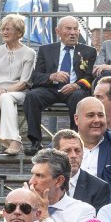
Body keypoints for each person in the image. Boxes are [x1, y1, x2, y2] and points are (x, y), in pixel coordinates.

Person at [22, 16, 97, 153]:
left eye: (76, 29)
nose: (73, 33)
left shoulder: (88, 51)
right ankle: (35, 142)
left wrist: (76, 85)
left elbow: (89, 77)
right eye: (68, 29)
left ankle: (75, 139)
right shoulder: (46, 50)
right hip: (51, 88)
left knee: (79, 97)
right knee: (32, 96)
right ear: (58, 31)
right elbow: (36, 76)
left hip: (74, 89)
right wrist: (52, 76)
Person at [5, 148, 97, 222]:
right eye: (33, 175)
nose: (31, 181)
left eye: (39, 176)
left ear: (59, 181)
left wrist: (45, 218)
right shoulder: (23, 207)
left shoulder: (84, 211)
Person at [0, 13, 36, 155]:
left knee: (6, 98)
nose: (4, 32)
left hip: (18, 91)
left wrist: (3, 91)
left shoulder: (29, 53)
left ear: (19, 32)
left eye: (8, 29)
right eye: (3, 29)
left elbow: (24, 82)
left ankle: (14, 141)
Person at [52, 129, 111, 213]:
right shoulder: (45, 182)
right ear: (55, 154)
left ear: (83, 153)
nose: (73, 155)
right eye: (67, 151)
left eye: (77, 151)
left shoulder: (99, 187)